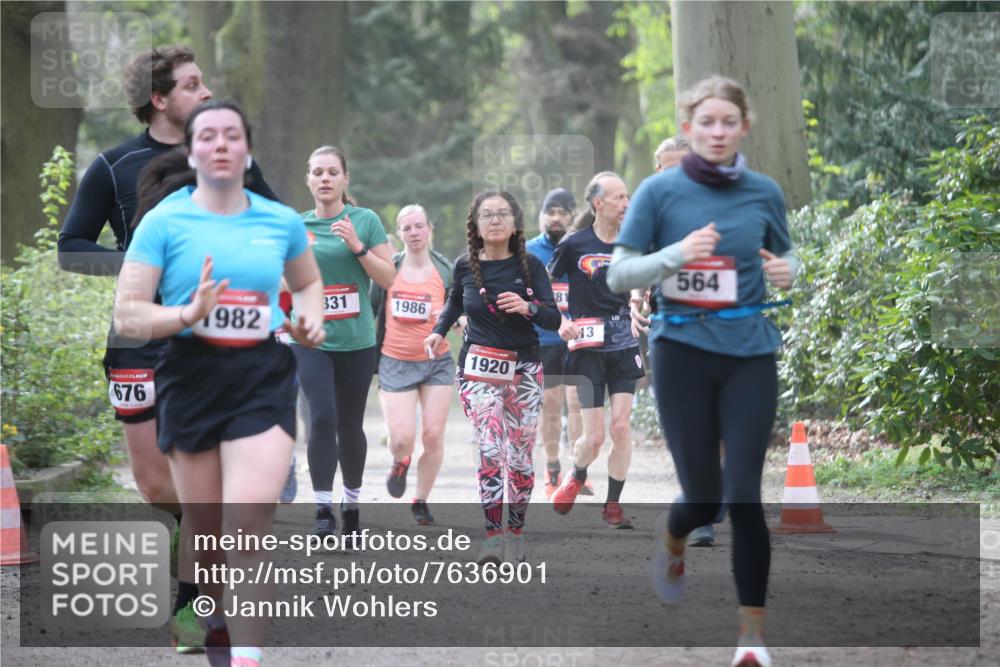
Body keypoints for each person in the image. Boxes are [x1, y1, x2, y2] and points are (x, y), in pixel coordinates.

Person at [56, 45, 278, 654]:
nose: (207, 93)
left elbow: (275, 226)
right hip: (135, 334)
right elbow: (70, 244)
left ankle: (194, 607)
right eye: (192, 85)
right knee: (157, 487)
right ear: (160, 99)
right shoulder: (114, 165)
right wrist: (136, 261)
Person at [114, 100, 325, 667]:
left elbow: (308, 286)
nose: (221, 143)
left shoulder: (278, 221)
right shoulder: (164, 222)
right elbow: (129, 315)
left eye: (232, 135)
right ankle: (214, 616)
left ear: (247, 150)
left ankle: (248, 657)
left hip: (262, 379)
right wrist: (186, 314)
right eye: (208, 135)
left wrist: (310, 320)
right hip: (190, 380)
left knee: (248, 524)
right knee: (207, 534)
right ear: (192, 151)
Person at [608, 75, 798, 667]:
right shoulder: (659, 194)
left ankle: (751, 639)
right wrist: (675, 256)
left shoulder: (764, 192)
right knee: (702, 495)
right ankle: (674, 535)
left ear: (744, 127)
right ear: (688, 129)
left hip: (749, 353)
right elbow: (619, 275)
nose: (717, 132)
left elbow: (785, 253)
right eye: (706, 122)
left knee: (742, 496)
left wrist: (789, 270)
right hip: (681, 352)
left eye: (728, 122)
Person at [424, 191, 560, 565]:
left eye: (503, 214)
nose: (495, 220)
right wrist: (439, 330)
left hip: (524, 370)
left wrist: (528, 307)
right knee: (489, 447)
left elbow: (553, 318)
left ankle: (515, 533)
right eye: (487, 215)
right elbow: (454, 301)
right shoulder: (466, 266)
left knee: (518, 457)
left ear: (516, 224)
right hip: (478, 369)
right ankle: (492, 538)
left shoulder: (531, 265)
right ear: (476, 225)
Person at [290, 146, 395, 544]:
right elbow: (283, 282)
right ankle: (322, 511)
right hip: (311, 339)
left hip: (356, 340)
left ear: (345, 179)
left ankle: (351, 504)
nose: (325, 178)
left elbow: (388, 279)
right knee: (321, 417)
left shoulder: (364, 221)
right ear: (309, 180)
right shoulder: (297, 227)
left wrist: (357, 247)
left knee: (350, 424)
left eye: (333, 172)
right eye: (317, 172)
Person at [548, 172, 648, 529]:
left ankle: (613, 506)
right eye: (619, 198)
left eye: (627, 197)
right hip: (587, 347)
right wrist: (561, 321)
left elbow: (641, 284)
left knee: (621, 428)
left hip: (623, 343)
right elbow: (548, 287)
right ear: (598, 204)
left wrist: (639, 303)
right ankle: (576, 475)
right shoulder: (574, 244)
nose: (626, 204)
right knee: (594, 437)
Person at [371, 205, 460, 525]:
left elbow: (458, 306)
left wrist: (459, 320)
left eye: (419, 226)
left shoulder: (446, 270)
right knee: (401, 439)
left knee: (434, 436)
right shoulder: (388, 269)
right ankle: (402, 458)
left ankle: (420, 501)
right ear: (400, 233)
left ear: (429, 229)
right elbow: (371, 310)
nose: (414, 233)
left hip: (436, 363)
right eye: (406, 228)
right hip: (395, 360)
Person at [524, 188, 585, 498]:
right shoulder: (528, 251)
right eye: (551, 212)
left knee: (577, 405)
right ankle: (551, 470)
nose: (556, 217)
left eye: (562, 212)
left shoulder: (580, 247)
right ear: (542, 216)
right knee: (551, 406)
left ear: (573, 215)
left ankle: (577, 474)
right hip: (544, 338)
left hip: (578, 338)